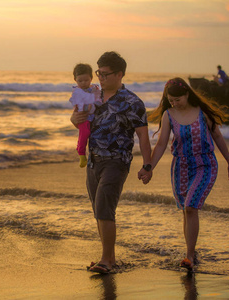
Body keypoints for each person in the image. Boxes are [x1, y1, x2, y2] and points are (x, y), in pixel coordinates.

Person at [70, 51, 153, 274]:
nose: (100, 78)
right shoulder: (92, 96)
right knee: (98, 210)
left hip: (117, 161)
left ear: (119, 74)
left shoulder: (132, 102)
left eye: (105, 74)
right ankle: (109, 258)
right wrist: (73, 119)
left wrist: (148, 165)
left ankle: (106, 260)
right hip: (93, 161)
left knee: (105, 208)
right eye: (98, 73)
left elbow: (143, 135)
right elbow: (79, 119)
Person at [148, 77, 229, 270]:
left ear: (187, 94)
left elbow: (217, 136)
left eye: (177, 99)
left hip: (205, 164)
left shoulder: (202, 113)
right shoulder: (168, 115)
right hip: (181, 167)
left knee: (190, 206)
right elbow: (161, 144)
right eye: (171, 100)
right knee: (186, 211)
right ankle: (190, 252)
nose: (174, 103)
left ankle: (189, 256)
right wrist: (149, 168)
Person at [69, 63, 101, 167]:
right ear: (75, 80)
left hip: (93, 116)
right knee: (85, 133)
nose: (83, 83)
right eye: (80, 81)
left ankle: (83, 150)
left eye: (86, 80)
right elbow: (78, 105)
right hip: (83, 116)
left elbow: (99, 99)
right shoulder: (77, 92)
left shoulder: (95, 89)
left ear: (91, 78)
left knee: (91, 132)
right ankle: (81, 154)